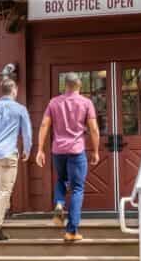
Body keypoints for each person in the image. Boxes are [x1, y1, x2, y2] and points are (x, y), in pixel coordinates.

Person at [35, 72, 100, 242]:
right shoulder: (86, 103)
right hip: (77, 150)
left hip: (58, 150)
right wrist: (95, 150)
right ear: (79, 85)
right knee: (77, 188)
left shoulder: (53, 102)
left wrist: (40, 150)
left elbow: (44, 125)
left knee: (61, 179)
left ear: (66, 86)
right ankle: (71, 231)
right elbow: (93, 129)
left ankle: (59, 204)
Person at [0, 78, 32, 241]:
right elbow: (27, 132)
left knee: (3, 185)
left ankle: (4, 208)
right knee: (5, 190)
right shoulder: (20, 109)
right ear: (14, 90)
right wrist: (27, 149)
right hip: (8, 153)